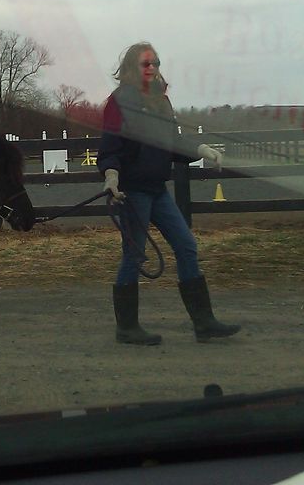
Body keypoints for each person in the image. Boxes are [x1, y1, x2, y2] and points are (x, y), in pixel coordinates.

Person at [97, 41, 240, 345]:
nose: (153, 68)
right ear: (131, 68)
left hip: (158, 191)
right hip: (133, 192)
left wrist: (201, 149)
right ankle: (127, 328)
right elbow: (109, 148)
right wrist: (111, 175)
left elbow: (172, 142)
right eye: (146, 64)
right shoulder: (118, 102)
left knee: (186, 245)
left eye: (156, 63)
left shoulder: (161, 100)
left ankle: (204, 322)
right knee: (134, 256)